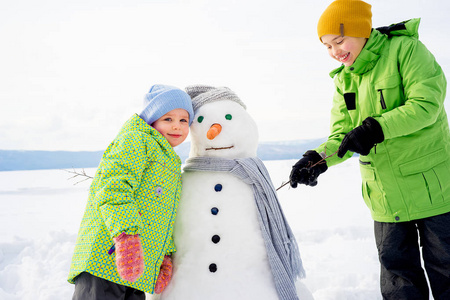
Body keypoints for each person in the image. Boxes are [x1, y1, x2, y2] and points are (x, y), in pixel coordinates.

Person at [288, 0, 450, 299]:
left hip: (434, 191)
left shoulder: (407, 50)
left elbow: (426, 105)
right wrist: (318, 159)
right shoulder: (344, 79)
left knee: (447, 270)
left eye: (339, 40)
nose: (335, 51)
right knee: (399, 281)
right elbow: (343, 134)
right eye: (327, 46)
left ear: (362, 30)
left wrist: (376, 128)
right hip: (385, 196)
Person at [67, 84, 194, 300]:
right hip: (105, 258)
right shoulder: (136, 140)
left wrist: (162, 256)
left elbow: (163, 214)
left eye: (183, 120)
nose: (177, 127)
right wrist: (126, 237)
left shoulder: (168, 160)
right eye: (168, 119)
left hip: (137, 267)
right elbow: (113, 188)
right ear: (152, 120)